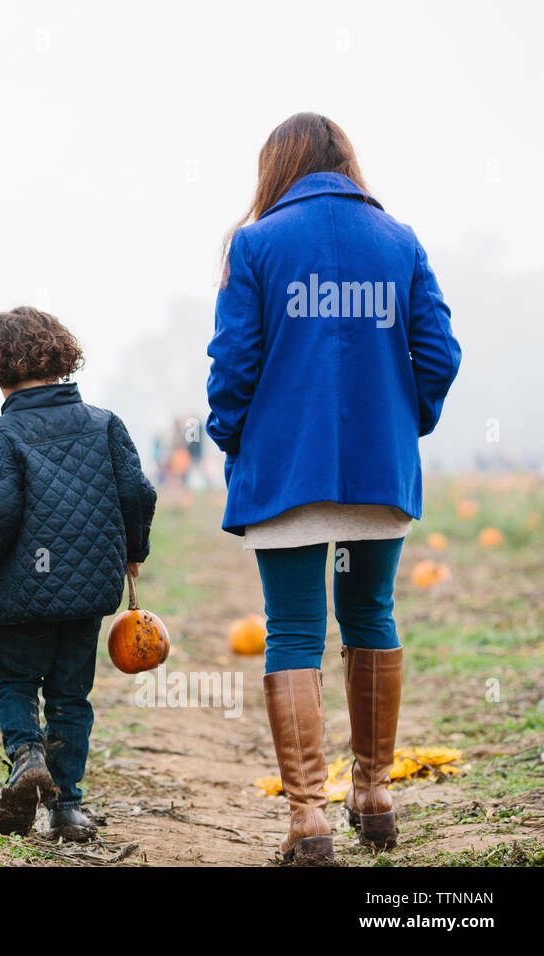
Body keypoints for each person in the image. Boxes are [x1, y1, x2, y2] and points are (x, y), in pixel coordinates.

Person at [206, 112, 460, 864]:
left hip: (286, 470)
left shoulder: (255, 245)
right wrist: (399, 420)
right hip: (379, 472)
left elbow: (233, 366)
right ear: (346, 162)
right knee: (371, 617)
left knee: (291, 631)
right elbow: (439, 353)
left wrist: (234, 436)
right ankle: (376, 794)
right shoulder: (399, 240)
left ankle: (308, 819)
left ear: (276, 168)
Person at [0, 307, 156, 841]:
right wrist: (135, 550)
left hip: (25, 593)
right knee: (71, 696)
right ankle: (65, 808)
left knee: (16, 682)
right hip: (89, 591)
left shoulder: (3, 435)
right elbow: (136, 493)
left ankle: (26, 758)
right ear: (62, 358)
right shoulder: (104, 423)